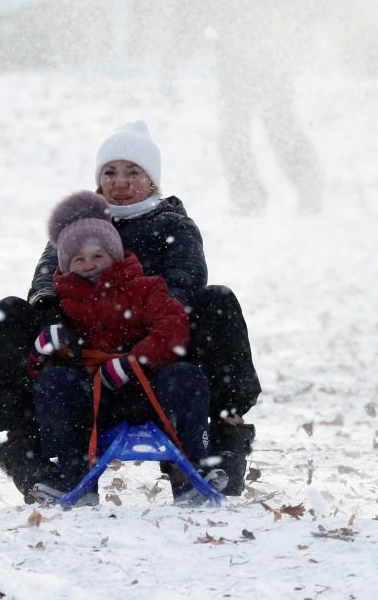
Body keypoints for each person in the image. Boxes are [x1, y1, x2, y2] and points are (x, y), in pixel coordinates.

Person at [0, 120, 260, 503]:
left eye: (133, 172)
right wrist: (55, 319)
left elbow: (185, 282)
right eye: (110, 172)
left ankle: (222, 442)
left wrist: (136, 324)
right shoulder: (77, 227)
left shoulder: (173, 226)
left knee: (218, 302)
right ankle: (30, 450)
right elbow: (47, 276)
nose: (120, 182)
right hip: (86, 367)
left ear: (152, 180)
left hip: (163, 364)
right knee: (9, 314)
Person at [23, 190, 226, 505]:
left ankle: (195, 468)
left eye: (97, 256)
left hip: (148, 390)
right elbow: (41, 367)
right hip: (94, 398)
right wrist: (42, 353)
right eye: (79, 259)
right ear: (66, 264)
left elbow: (171, 328)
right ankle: (72, 473)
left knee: (187, 377)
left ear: (114, 254)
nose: (89, 265)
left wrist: (137, 361)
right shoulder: (62, 303)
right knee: (54, 385)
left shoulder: (144, 289)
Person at [189, 0, 323, 215]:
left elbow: (200, 0)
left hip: (238, 51)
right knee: (279, 123)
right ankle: (309, 186)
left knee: (234, 130)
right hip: (270, 50)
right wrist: (294, 42)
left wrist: (181, 43)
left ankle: (249, 197)